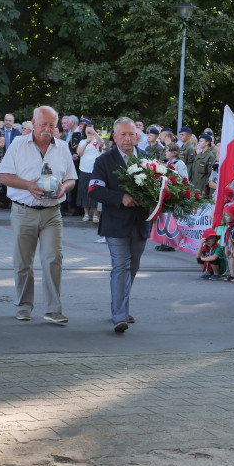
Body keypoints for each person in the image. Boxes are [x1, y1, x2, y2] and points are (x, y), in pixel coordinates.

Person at [0, 105, 77, 323]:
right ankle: (24, 306)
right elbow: (3, 175)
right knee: (23, 262)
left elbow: (71, 178)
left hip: (52, 213)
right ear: (33, 123)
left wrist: (64, 188)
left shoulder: (61, 147)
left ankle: (53, 309)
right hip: (24, 211)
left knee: (53, 259)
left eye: (52, 124)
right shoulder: (18, 144)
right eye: (43, 124)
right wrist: (27, 186)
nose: (47, 129)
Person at [88, 117, 150, 333]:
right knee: (121, 266)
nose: (127, 138)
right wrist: (120, 197)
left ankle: (119, 306)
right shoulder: (104, 160)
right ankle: (120, 316)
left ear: (137, 136)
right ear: (114, 137)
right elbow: (94, 190)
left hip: (140, 222)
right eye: (122, 134)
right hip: (115, 224)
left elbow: (158, 188)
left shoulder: (147, 158)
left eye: (131, 134)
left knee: (133, 267)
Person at [76, 123, 104, 221]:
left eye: (90, 129)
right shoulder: (82, 141)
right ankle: (86, 214)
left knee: (96, 190)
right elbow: (79, 153)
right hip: (84, 169)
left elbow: (102, 144)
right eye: (87, 129)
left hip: (96, 170)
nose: (89, 131)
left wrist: (94, 133)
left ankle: (96, 214)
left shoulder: (97, 140)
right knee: (84, 190)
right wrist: (87, 143)